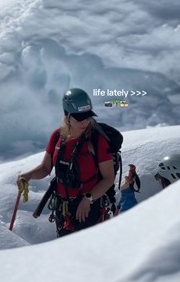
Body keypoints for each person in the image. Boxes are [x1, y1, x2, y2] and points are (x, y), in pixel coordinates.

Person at [17, 88, 115, 237]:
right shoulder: (57, 136)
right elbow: (45, 168)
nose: (85, 122)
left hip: (89, 207)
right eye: (79, 118)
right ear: (67, 115)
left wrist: (88, 199)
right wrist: (27, 176)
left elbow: (109, 178)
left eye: (88, 117)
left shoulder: (97, 140)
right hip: (63, 209)